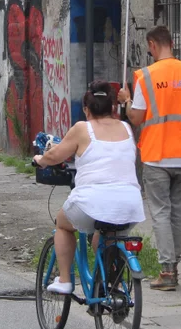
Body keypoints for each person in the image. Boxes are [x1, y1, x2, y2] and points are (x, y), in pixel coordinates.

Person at [116, 26, 181, 291]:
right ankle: (174, 265)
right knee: (179, 214)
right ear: (172, 43)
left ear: (152, 45)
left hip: (157, 156)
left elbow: (136, 118)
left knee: (160, 213)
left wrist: (126, 100)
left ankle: (167, 271)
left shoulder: (145, 76)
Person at [34, 80, 146, 295]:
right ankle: (112, 284)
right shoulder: (127, 127)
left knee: (64, 224)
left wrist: (40, 159)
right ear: (113, 107)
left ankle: (65, 280)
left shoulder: (81, 128)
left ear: (86, 109)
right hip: (130, 203)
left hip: (93, 201)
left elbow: (55, 155)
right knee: (104, 235)